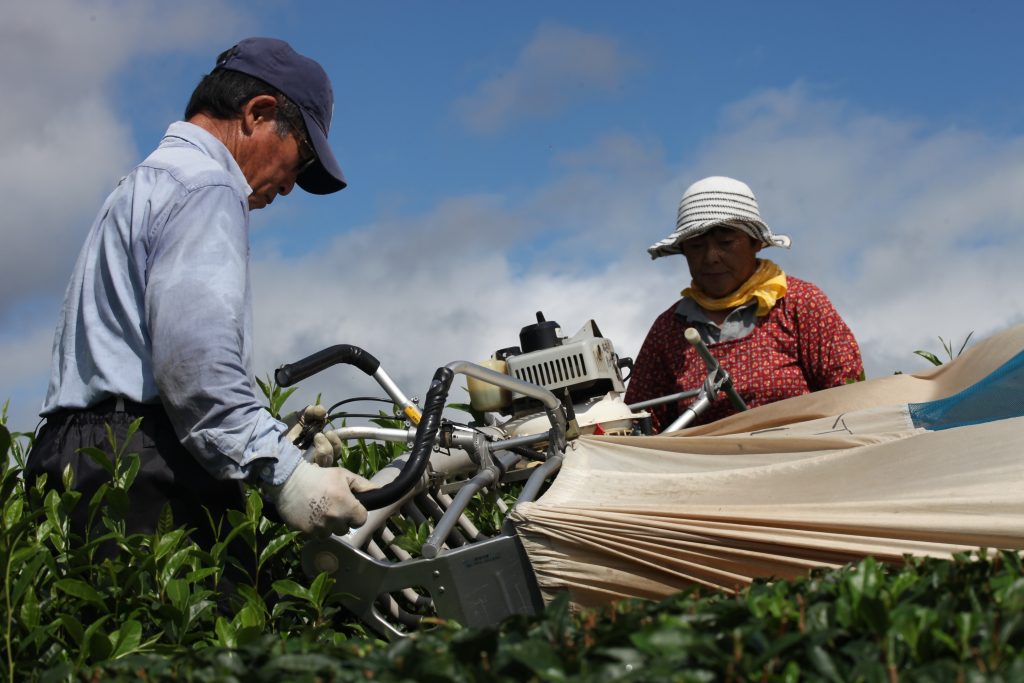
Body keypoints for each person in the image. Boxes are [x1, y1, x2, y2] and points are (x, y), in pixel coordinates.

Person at [26, 37, 372, 548]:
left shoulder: (146, 181)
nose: (291, 186)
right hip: (142, 464)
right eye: (300, 161)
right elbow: (195, 367)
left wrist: (276, 435)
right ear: (257, 113)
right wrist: (288, 474)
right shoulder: (208, 187)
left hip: (71, 456)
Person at [624, 175, 863, 431]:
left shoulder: (798, 303)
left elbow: (851, 395)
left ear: (755, 243)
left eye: (726, 243)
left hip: (802, 463)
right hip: (707, 469)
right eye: (696, 246)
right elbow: (640, 422)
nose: (711, 257)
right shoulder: (669, 328)